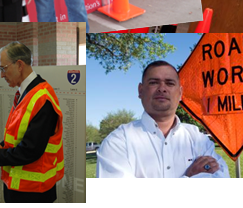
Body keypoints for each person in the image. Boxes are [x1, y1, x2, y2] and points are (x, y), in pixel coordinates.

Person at [96, 60, 230, 178]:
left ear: (180, 93)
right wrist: (189, 177)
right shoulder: (118, 142)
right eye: (154, 82)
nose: (162, 89)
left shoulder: (198, 138)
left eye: (170, 83)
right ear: (140, 91)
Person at [0, 42, 63, 202]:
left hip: (34, 193)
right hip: (20, 187)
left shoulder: (41, 98)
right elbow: (17, 138)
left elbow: (31, 149)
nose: (1, 75)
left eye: (3, 68)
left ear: (19, 65)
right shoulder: (25, 94)